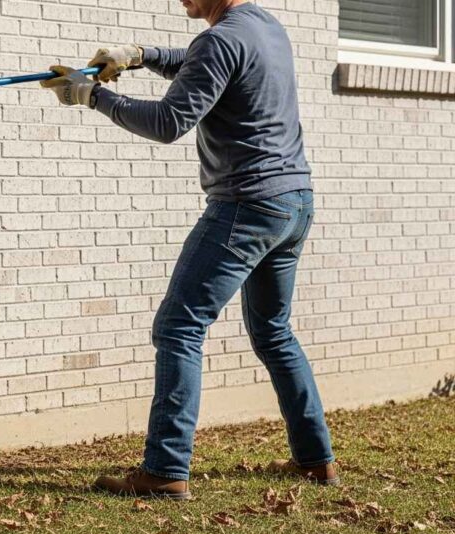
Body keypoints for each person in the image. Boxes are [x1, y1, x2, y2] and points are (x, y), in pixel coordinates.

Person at [41, 0, 338, 499]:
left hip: (247, 204)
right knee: (273, 331)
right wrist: (139, 55)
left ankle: (165, 469)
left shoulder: (221, 39)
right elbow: (201, 62)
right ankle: (315, 460)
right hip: (293, 202)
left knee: (179, 326)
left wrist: (92, 96)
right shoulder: (266, 27)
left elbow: (167, 122)